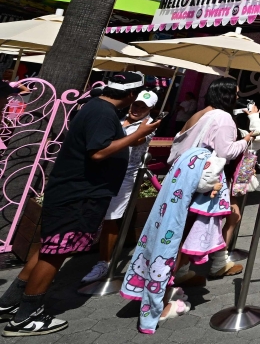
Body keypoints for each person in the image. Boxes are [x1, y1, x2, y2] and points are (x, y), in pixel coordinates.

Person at [0, 72, 157, 336]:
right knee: (55, 253)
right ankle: (26, 316)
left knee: (49, 248)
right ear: (130, 95)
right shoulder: (103, 113)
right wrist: (138, 134)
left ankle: (10, 302)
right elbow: (98, 152)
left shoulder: (96, 108)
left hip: (72, 190)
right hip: (78, 194)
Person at [169, 77, 254, 280]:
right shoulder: (223, 118)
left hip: (181, 176)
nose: (237, 97)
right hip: (205, 182)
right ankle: (170, 283)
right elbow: (226, 152)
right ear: (227, 95)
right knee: (193, 228)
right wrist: (245, 141)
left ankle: (181, 271)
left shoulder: (198, 114)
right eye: (235, 93)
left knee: (180, 226)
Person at [81, 89, 159, 284]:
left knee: (110, 218)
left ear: (150, 109)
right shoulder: (118, 117)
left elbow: (137, 140)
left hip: (125, 176)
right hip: (103, 172)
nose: (138, 109)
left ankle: (104, 263)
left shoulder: (148, 125)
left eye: (143, 107)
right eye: (136, 104)